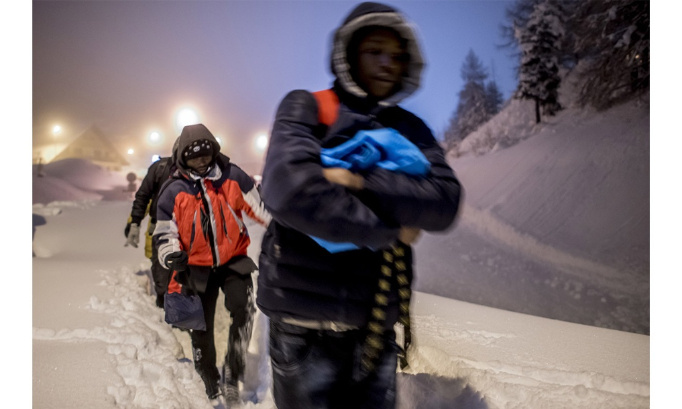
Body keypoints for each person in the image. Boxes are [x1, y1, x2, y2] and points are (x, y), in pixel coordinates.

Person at [257, 2, 462, 409]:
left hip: (375, 328)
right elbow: (291, 192)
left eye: (397, 54)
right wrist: (389, 229)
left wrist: (356, 180)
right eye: (375, 51)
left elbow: (443, 202)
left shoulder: (411, 129)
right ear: (349, 53)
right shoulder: (308, 107)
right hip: (303, 326)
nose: (388, 63)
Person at [153, 123, 271, 403]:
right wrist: (171, 253)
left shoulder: (233, 177)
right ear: (183, 158)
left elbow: (262, 213)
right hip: (194, 266)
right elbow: (163, 232)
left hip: (233, 260)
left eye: (206, 155)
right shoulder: (174, 190)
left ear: (214, 152)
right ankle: (209, 379)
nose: (202, 162)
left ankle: (234, 371)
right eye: (194, 157)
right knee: (200, 326)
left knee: (244, 311)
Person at [124, 153, 175, 308]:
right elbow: (145, 199)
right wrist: (133, 223)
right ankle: (162, 302)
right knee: (161, 270)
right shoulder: (161, 170)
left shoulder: (197, 172)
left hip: (184, 233)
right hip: (159, 229)